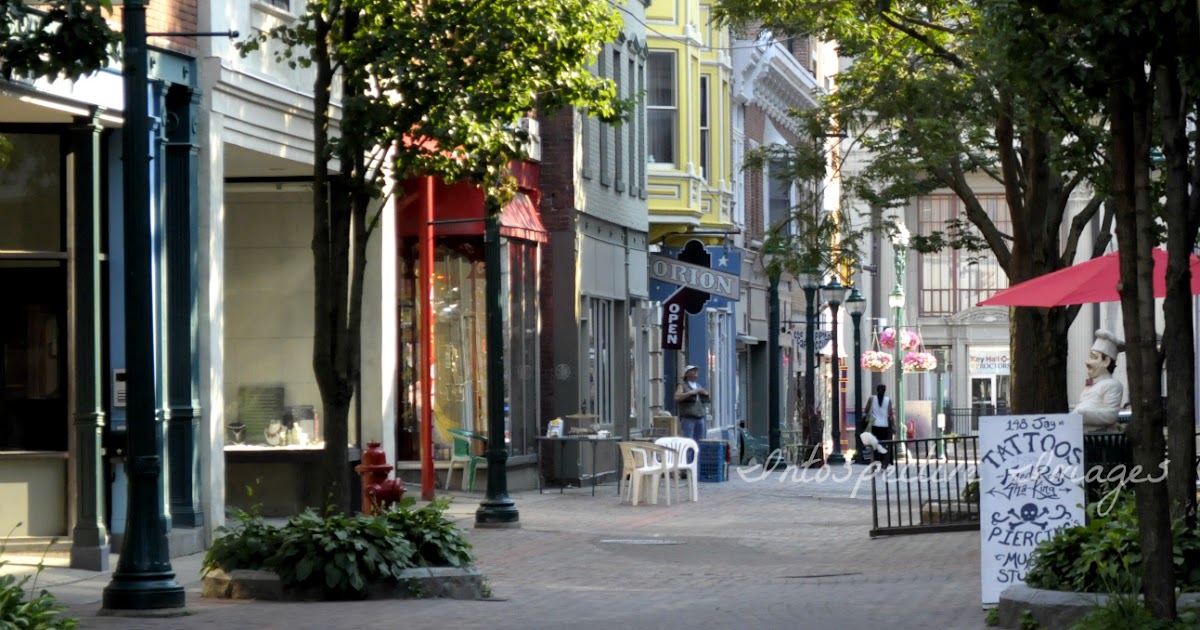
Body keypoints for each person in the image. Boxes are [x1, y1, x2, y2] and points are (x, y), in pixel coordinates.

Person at [1074, 329, 1126, 433]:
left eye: (1093, 357)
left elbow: (1111, 416)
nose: (1087, 362)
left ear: (1106, 362)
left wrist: (1082, 414)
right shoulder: (1091, 385)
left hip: (1097, 436)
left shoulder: (1113, 385)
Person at [674, 365, 709, 443]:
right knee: (689, 441)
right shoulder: (682, 385)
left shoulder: (698, 386)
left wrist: (705, 394)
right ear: (687, 374)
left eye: (696, 371)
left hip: (700, 418)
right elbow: (677, 397)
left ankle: (696, 451)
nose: (695, 372)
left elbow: (708, 400)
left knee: (699, 441)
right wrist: (690, 393)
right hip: (688, 418)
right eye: (693, 371)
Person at [863, 384, 895, 467]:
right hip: (885, 425)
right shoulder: (888, 400)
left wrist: (864, 419)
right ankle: (883, 461)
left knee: (875, 443)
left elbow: (866, 410)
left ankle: (876, 460)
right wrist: (893, 426)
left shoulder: (872, 399)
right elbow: (890, 414)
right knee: (884, 444)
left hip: (875, 425)